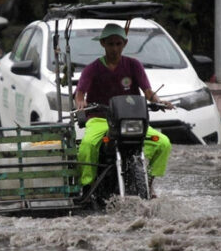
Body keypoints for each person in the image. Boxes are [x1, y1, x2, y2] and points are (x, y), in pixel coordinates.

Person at [74, 23, 174, 197]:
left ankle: (148, 183)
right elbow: (80, 93)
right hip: (100, 120)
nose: (114, 48)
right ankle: (87, 186)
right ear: (102, 44)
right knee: (87, 145)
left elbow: (149, 93)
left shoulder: (134, 65)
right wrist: (81, 102)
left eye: (118, 44)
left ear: (124, 44)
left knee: (163, 143)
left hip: (130, 120)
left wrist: (159, 101)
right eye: (110, 44)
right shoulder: (92, 68)